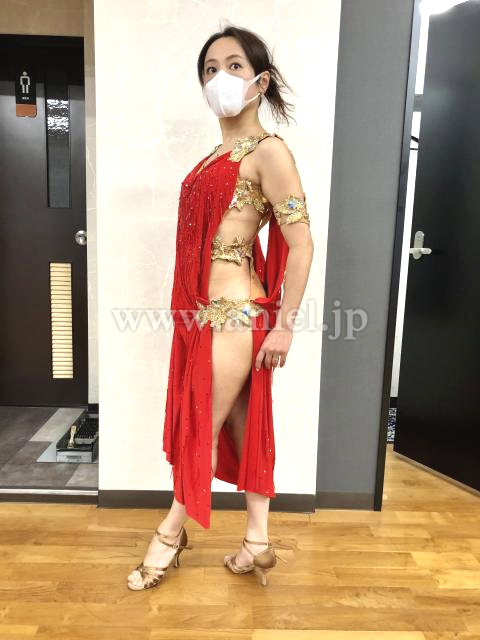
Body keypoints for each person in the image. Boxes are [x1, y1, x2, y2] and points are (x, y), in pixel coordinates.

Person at [128, 24, 314, 591]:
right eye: (210, 69)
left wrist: (284, 327)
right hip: (201, 315)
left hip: (235, 315)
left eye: (234, 66)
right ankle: (256, 540)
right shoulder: (215, 155)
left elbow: (302, 243)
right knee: (238, 419)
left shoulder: (269, 151)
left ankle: (169, 535)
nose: (219, 78)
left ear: (261, 81)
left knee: (200, 429)